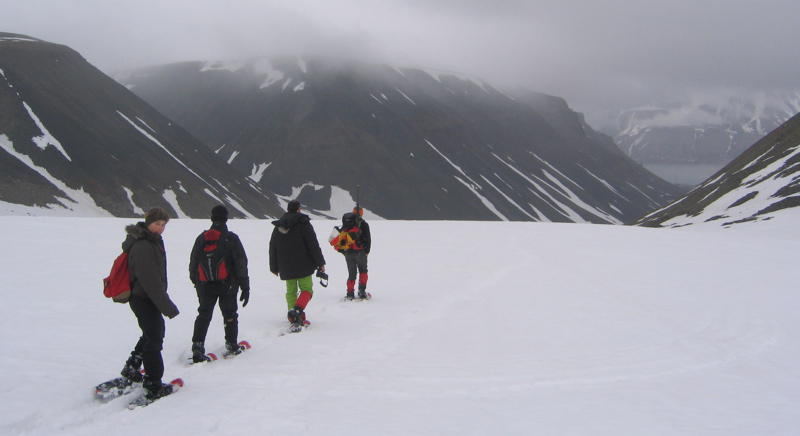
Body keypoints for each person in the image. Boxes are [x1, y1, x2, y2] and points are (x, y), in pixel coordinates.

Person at [118, 207, 180, 400]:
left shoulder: (151, 241)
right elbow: (150, 280)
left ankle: (132, 367)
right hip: (144, 297)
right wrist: (167, 306)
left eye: (163, 225)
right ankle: (153, 384)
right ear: (147, 222)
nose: (160, 228)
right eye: (156, 224)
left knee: (150, 333)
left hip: (145, 297)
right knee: (155, 337)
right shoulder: (144, 245)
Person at [188, 205, 250, 362]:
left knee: (204, 314)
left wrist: (197, 282)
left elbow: (193, 262)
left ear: (212, 218)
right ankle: (231, 344)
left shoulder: (201, 238)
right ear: (226, 218)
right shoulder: (231, 238)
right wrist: (245, 285)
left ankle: (197, 345)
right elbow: (241, 263)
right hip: (227, 284)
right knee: (230, 315)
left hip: (205, 285)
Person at [269, 200, 326, 331]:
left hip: (285, 265)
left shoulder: (279, 225)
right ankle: (297, 310)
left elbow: (273, 247)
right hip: (303, 264)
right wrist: (320, 263)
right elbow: (313, 244)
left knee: (291, 292)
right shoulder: (303, 223)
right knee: (307, 290)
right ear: (299, 209)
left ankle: (293, 316)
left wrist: (274, 266)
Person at [339, 206, 371, 300]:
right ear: (361, 213)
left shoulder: (346, 224)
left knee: (351, 273)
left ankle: (349, 293)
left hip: (348, 252)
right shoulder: (364, 224)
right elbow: (368, 239)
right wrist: (367, 251)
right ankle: (362, 292)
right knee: (363, 271)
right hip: (360, 251)